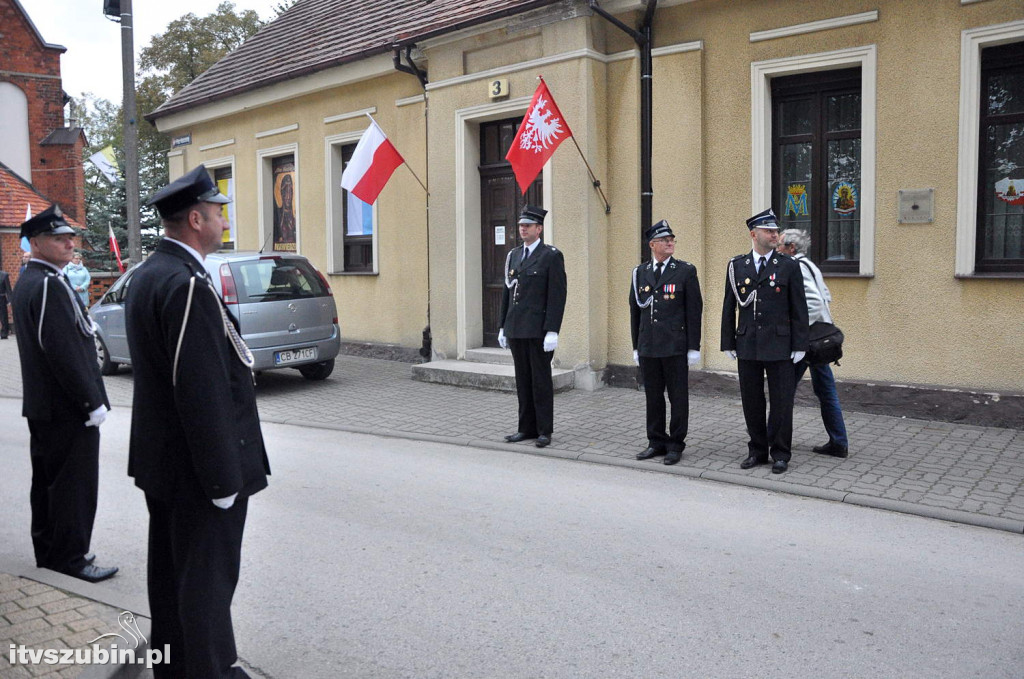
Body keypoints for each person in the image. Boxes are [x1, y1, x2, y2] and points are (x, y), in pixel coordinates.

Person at [126, 164, 270, 679]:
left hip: (165, 461)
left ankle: (178, 667)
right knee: (206, 580)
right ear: (194, 219)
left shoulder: (151, 273)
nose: (223, 219)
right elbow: (200, 390)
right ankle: (209, 670)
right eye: (217, 211)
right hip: (197, 469)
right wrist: (221, 478)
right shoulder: (185, 284)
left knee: (171, 574)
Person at [11, 204, 117, 582]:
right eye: (59, 238)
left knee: (49, 483)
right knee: (73, 485)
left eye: (70, 236)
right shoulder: (46, 284)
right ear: (36, 243)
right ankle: (71, 558)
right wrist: (90, 402)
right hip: (66, 408)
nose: (70, 243)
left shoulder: (33, 279)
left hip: (47, 406)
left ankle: (50, 552)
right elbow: (63, 351)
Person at [720, 208, 808, 474]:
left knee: (782, 402)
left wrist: (799, 345)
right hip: (748, 343)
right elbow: (728, 306)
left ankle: (781, 453)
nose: (774, 235)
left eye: (775, 231)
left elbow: (799, 308)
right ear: (753, 234)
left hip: (780, 345)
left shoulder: (789, 265)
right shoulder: (737, 266)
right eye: (769, 231)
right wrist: (728, 342)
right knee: (752, 401)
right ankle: (757, 450)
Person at [629, 220, 703, 465]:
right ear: (652, 245)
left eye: (672, 239)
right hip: (649, 345)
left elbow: (694, 311)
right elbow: (635, 311)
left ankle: (676, 443)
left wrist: (694, 346)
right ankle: (656, 441)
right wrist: (635, 346)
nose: (670, 242)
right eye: (664, 239)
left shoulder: (684, 271)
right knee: (653, 396)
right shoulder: (640, 272)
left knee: (678, 397)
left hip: (675, 346)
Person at [498, 204, 567, 449]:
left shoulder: (551, 256)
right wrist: (502, 326)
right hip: (517, 328)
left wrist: (552, 330)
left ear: (539, 229)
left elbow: (557, 296)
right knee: (523, 380)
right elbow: (507, 292)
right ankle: (525, 428)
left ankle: (544, 430)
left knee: (540, 380)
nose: (522, 229)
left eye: (527, 225)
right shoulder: (514, 255)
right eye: (521, 225)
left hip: (538, 330)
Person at [778, 229, 849, 458]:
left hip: (808, 342)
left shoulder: (797, 266)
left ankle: (776, 437)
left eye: (780, 245)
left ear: (791, 248)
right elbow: (826, 295)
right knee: (825, 390)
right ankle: (838, 441)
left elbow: (815, 303)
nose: (777, 249)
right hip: (819, 340)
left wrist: (797, 330)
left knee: (784, 389)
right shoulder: (810, 265)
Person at [0, 266, 11, 339]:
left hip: (1, 297)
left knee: (3, 316)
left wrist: (10, 300)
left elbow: (8, 288)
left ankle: (4, 332)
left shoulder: (4, 275)